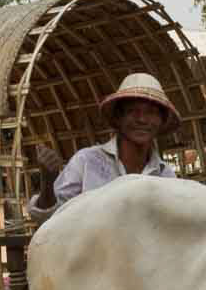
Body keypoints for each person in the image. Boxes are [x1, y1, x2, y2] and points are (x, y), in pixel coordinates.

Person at [27, 72, 178, 223]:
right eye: (132, 111)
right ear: (118, 118)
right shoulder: (86, 161)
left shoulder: (165, 176)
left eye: (151, 112)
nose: (142, 119)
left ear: (161, 121)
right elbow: (48, 218)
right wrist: (48, 181)